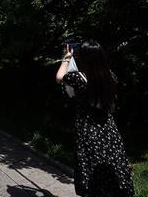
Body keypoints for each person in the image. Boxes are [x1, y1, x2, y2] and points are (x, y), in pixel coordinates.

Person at [56, 40, 134, 197]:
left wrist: (67, 57)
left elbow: (59, 77)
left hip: (87, 129)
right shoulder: (111, 76)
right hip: (109, 129)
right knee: (112, 165)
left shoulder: (78, 78)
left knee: (90, 169)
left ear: (83, 58)